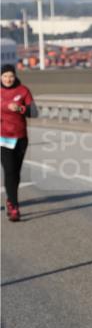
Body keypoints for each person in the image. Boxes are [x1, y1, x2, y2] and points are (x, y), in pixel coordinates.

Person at [1, 64, 33, 222]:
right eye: (5, 76)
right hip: (3, 137)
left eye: (11, 76)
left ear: (15, 76)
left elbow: (33, 111)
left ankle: (10, 198)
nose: (8, 79)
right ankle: (14, 206)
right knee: (9, 170)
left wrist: (20, 109)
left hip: (21, 137)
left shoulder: (23, 91)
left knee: (16, 173)